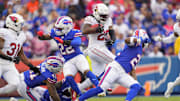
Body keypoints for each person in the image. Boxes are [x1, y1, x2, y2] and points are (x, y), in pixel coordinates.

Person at [77, 29, 150, 101]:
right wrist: (138, 40)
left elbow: (132, 70)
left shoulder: (139, 51)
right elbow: (127, 40)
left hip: (123, 73)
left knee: (136, 86)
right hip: (115, 68)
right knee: (101, 88)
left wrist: (135, 82)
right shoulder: (136, 43)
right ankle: (79, 99)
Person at [37, 16, 99, 96]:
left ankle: (100, 87)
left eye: (60, 29)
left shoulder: (74, 32)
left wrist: (65, 42)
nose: (57, 30)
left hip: (77, 57)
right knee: (69, 78)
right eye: (57, 28)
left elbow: (77, 42)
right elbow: (46, 37)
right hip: (67, 60)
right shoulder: (55, 32)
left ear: (67, 28)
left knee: (86, 71)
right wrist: (41, 36)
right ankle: (79, 94)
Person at [78, 3, 116, 92]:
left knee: (95, 77)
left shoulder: (108, 20)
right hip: (95, 48)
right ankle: (106, 82)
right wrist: (96, 29)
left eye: (105, 16)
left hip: (101, 48)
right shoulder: (90, 19)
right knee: (117, 62)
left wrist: (112, 40)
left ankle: (77, 88)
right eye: (102, 15)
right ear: (96, 13)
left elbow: (112, 32)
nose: (104, 17)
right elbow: (84, 30)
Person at [0, 13, 39, 94]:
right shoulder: (4, 32)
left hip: (9, 65)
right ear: (13, 24)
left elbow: (21, 54)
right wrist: (10, 58)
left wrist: (32, 67)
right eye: (20, 24)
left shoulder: (22, 36)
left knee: (15, 84)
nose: (22, 26)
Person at [153, 9, 180, 98]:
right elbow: (172, 38)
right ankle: (171, 85)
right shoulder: (177, 27)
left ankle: (171, 85)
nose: (179, 22)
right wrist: (162, 39)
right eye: (178, 20)